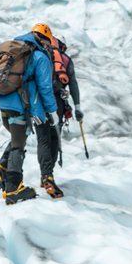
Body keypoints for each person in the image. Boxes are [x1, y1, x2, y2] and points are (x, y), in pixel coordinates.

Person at [0, 22, 58, 204]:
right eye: (48, 43)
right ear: (44, 40)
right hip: (20, 106)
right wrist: (51, 111)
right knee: (18, 145)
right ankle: (13, 188)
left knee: (18, 138)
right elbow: (44, 88)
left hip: (2, 102)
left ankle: (2, 170)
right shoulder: (39, 57)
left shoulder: (14, 51)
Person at [35, 36, 83, 198]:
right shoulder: (65, 59)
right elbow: (73, 84)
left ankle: (45, 175)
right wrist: (77, 107)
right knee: (54, 138)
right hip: (58, 103)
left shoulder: (38, 55)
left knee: (43, 139)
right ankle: (48, 176)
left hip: (39, 102)